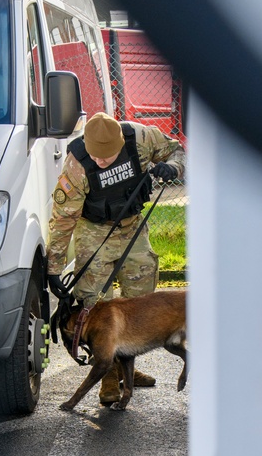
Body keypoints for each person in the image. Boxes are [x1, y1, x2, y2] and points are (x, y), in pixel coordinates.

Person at [47, 110, 185, 403]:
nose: (99, 161)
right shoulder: (77, 163)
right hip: (94, 232)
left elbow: (178, 151)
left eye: (106, 158)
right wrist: (54, 266)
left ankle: (128, 369)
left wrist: (173, 168)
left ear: (121, 143)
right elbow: (62, 218)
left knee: (142, 300)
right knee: (93, 305)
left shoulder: (141, 138)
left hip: (132, 226)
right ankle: (108, 380)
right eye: (95, 157)